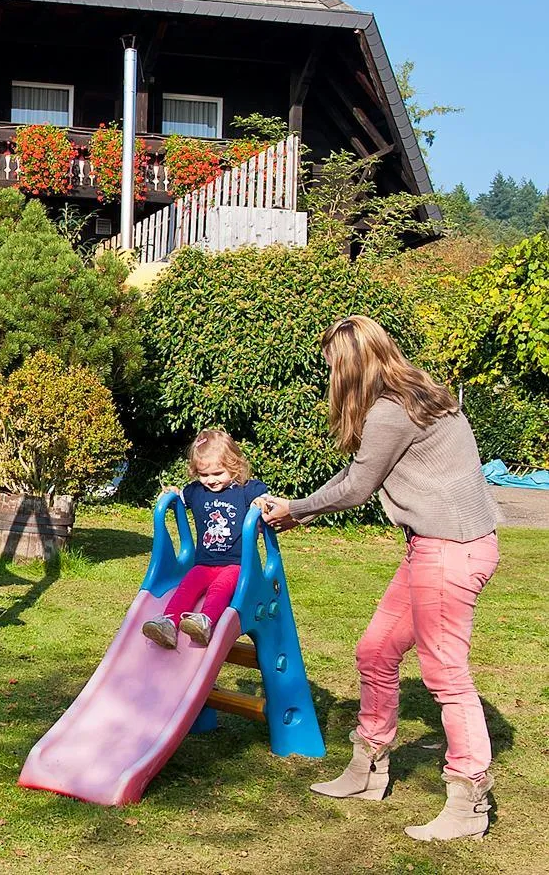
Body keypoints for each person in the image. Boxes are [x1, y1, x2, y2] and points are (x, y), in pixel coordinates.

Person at [260, 315, 499, 842]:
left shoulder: (393, 411)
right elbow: (360, 471)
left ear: (350, 368)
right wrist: (301, 509)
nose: (330, 377)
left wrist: (295, 509)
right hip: (434, 546)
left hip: (450, 551)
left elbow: (357, 487)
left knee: (446, 675)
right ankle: (368, 768)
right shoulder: (419, 395)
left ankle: (469, 798)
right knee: (376, 650)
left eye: (332, 368)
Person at [142, 429, 269, 649]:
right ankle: (168, 623)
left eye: (217, 473)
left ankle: (205, 622)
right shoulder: (196, 491)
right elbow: (178, 500)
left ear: (234, 465)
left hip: (236, 564)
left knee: (220, 588)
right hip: (204, 563)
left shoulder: (246, 490)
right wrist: (171, 493)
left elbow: (264, 498)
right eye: (204, 474)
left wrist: (261, 502)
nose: (210, 480)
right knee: (187, 586)